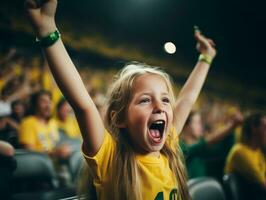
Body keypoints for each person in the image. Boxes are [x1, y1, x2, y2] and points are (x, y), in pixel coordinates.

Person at [24, 0, 216, 199]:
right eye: (145, 100)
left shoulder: (167, 147)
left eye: (165, 100)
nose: (159, 107)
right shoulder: (110, 158)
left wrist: (206, 58)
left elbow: (187, 98)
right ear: (119, 119)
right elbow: (83, 105)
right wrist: (47, 31)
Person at [180, 111, 243, 179]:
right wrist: (231, 126)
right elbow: (208, 142)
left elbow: (223, 150)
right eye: (197, 122)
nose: (201, 126)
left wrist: (231, 132)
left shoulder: (201, 149)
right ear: (185, 125)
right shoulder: (181, 146)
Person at [225, 112, 266, 199]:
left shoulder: (257, 151)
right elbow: (262, 184)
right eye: (265, 127)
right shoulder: (239, 152)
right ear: (254, 129)